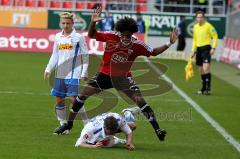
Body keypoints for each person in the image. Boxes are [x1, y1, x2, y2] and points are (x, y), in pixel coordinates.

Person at [54, 6, 177, 142]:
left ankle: (157, 129)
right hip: (104, 75)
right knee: (82, 95)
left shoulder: (137, 44)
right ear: (119, 32)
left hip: (123, 78)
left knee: (140, 100)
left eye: (128, 35)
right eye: (123, 35)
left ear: (133, 33)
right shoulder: (111, 36)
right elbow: (91, 35)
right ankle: (68, 124)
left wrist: (169, 43)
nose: (125, 38)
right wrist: (93, 22)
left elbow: (153, 52)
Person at [44, 12, 89, 134]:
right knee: (59, 100)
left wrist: (84, 71)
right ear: (60, 23)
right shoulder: (58, 37)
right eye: (63, 23)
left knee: (74, 99)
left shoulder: (78, 37)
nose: (65, 25)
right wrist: (48, 69)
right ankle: (63, 125)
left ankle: (87, 124)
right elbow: (55, 54)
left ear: (73, 23)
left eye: (68, 23)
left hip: (74, 73)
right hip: (60, 73)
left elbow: (85, 55)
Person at [75, 107, 140, 150]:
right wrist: (93, 146)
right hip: (97, 124)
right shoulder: (90, 129)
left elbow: (129, 132)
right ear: (104, 127)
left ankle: (128, 113)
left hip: (114, 117)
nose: (113, 134)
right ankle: (119, 140)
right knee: (99, 143)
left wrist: (129, 143)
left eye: (114, 132)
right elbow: (79, 143)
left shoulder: (119, 121)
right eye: (111, 132)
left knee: (133, 126)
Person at [191, 10, 218, 95]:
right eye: (198, 17)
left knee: (206, 68)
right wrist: (193, 51)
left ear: (203, 18)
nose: (199, 19)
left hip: (206, 48)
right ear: (196, 18)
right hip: (198, 49)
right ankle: (203, 89)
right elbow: (194, 40)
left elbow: (215, 36)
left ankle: (208, 89)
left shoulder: (208, 26)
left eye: (201, 17)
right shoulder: (195, 27)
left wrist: (213, 48)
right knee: (201, 70)